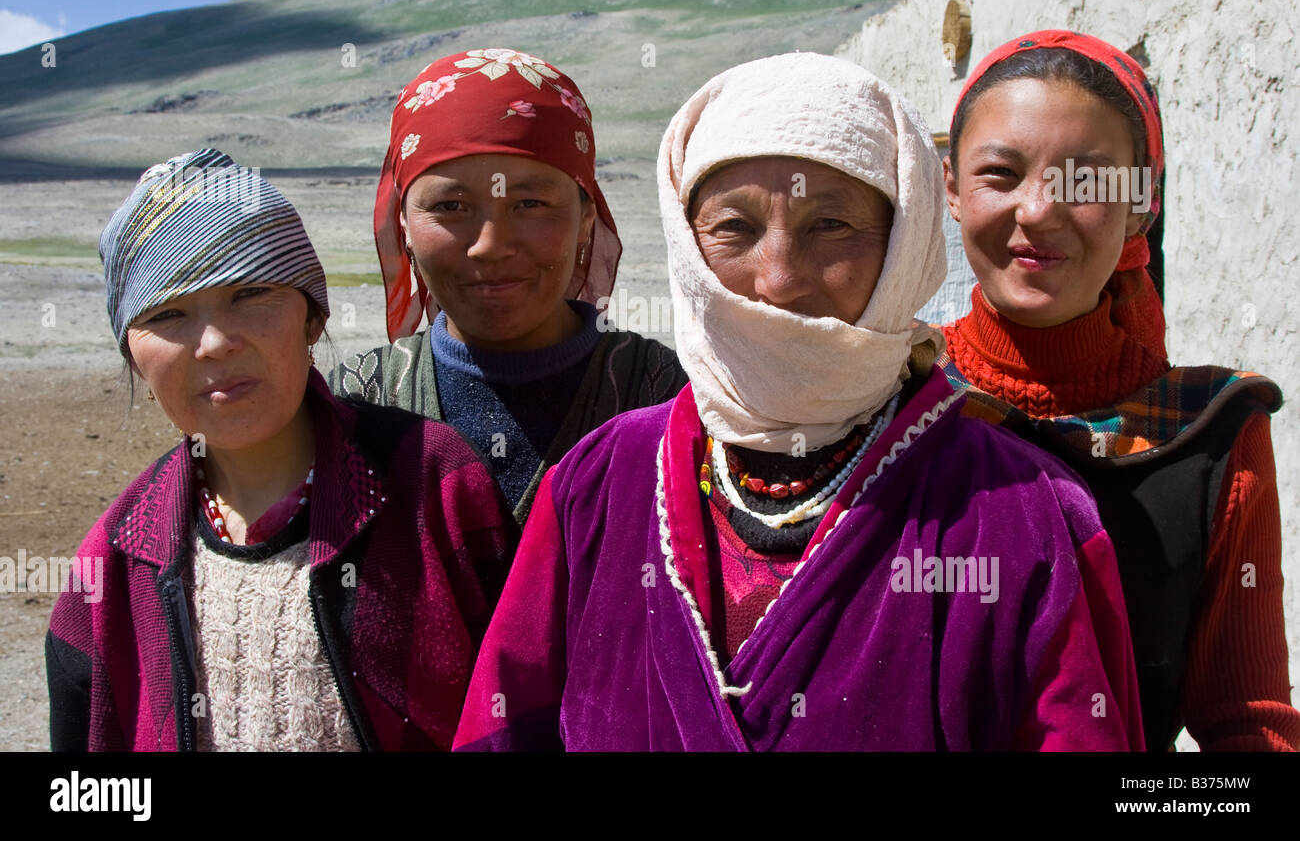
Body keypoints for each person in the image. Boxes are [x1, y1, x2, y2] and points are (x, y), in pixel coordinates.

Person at [453, 52, 1144, 751]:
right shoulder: (598, 482)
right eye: (734, 229)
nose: (778, 279)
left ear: (901, 246)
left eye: (831, 226)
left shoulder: (1024, 515)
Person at [45, 149, 514, 751]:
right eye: (168, 313)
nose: (214, 343)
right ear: (132, 352)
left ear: (311, 317)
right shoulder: (113, 562)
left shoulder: (435, 488)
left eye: (249, 295)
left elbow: (524, 716)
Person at [938, 29, 1299, 751]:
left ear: (1142, 205)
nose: (1037, 211)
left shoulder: (1213, 434)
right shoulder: (895, 393)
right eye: (1000, 174)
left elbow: (1248, 725)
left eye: (1087, 181)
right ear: (951, 188)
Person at [330, 48, 687, 523]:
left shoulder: (664, 396)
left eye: (531, 203)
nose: (490, 246)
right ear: (404, 225)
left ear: (586, 217)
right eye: (450, 207)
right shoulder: (354, 403)